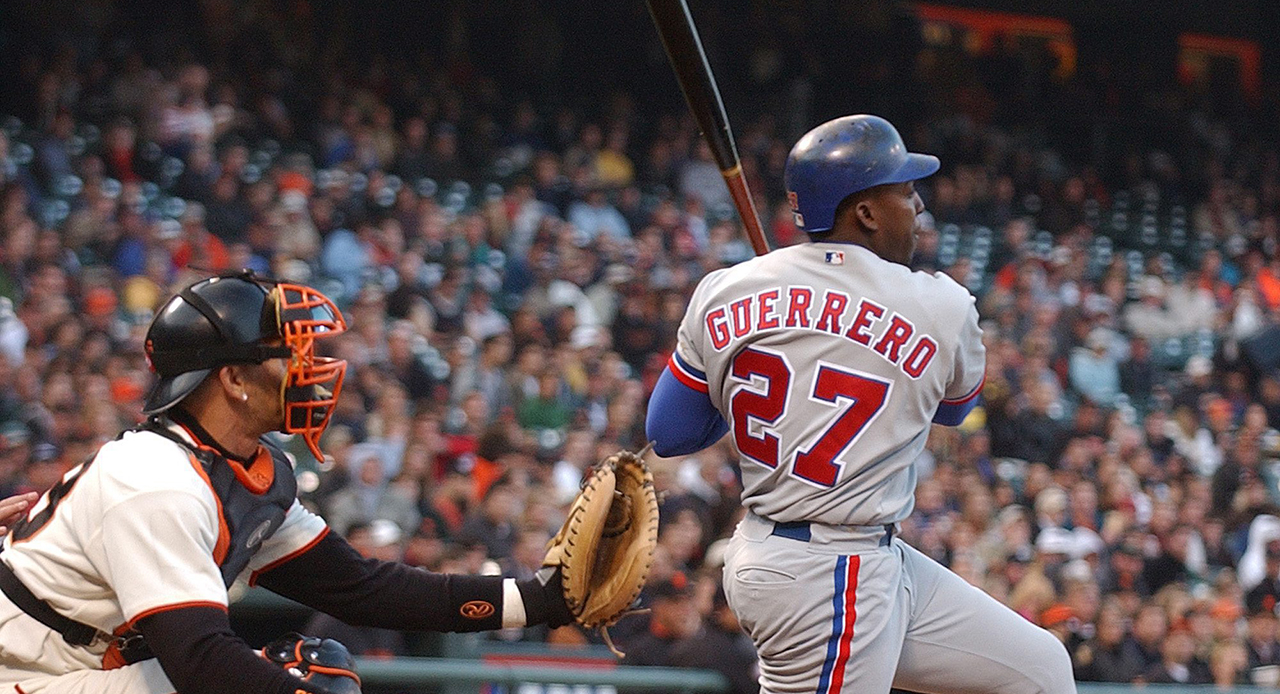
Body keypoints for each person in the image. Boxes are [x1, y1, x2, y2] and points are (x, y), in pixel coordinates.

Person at [645, 115, 1074, 693]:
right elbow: (951, 409)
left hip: (847, 556)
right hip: (826, 572)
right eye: (904, 191)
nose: (918, 205)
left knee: (1039, 672)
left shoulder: (729, 287)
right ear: (865, 213)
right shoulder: (941, 304)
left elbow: (671, 429)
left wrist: (763, 357)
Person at [0, 271, 571, 694]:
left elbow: (362, 586)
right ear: (232, 380)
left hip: (84, 659)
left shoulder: (239, 465)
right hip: (26, 667)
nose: (305, 366)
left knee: (319, 669)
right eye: (284, 352)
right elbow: (198, 661)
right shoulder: (157, 479)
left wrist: (536, 599)